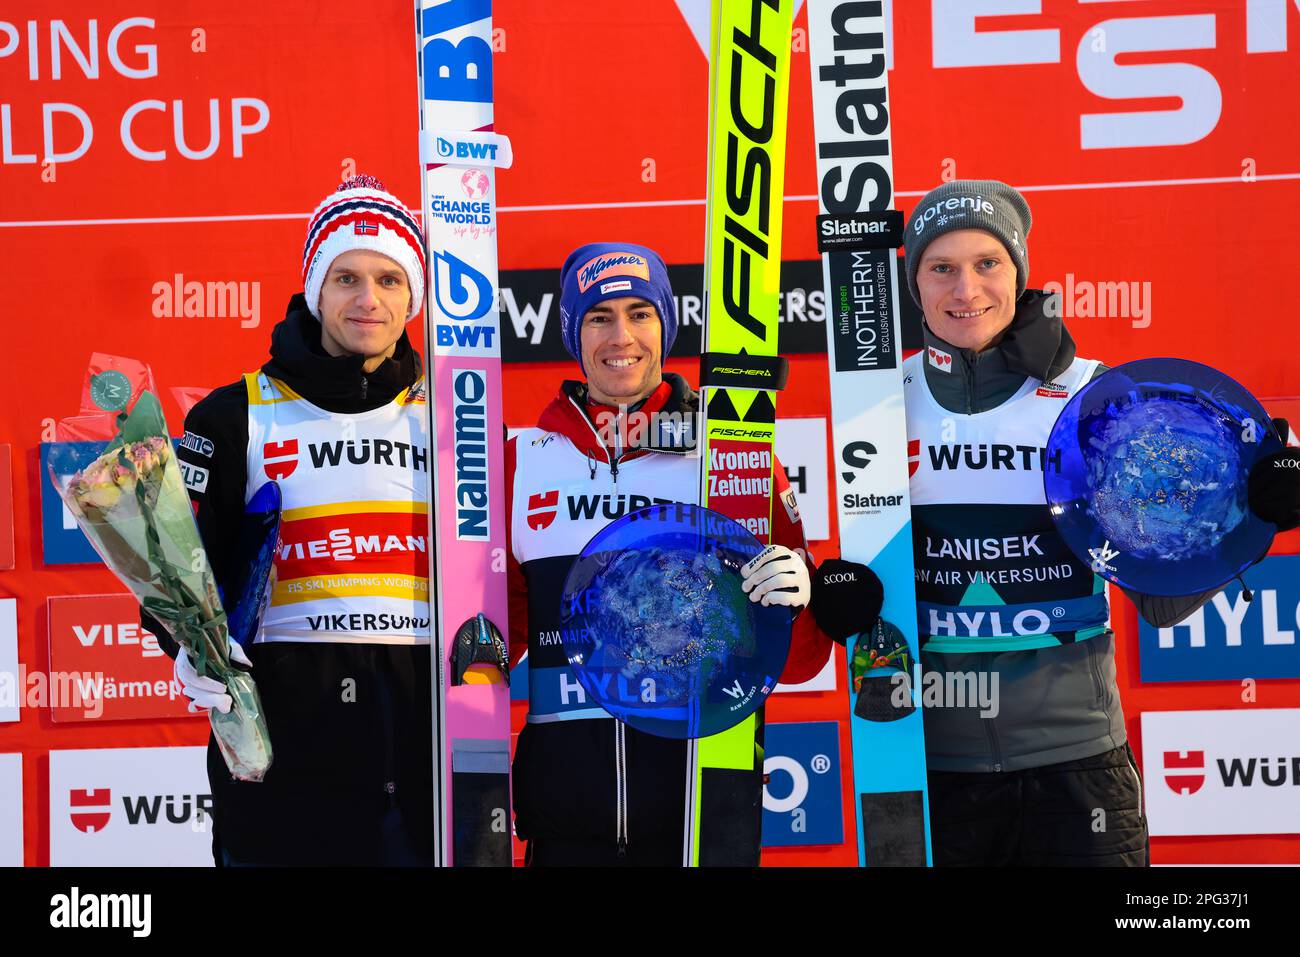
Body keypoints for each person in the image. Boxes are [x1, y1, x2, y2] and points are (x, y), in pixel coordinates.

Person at [812, 179, 1300, 867]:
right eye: (941, 267)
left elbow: (1160, 601)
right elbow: (860, 594)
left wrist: (1253, 518)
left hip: (1076, 766)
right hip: (926, 769)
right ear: (912, 281)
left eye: (988, 264)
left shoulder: (1093, 402)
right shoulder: (876, 404)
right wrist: (836, 597)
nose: (965, 290)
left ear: (1020, 271)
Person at [505, 242, 833, 866]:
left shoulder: (731, 459)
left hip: (702, 814)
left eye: (640, 313)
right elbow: (496, 644)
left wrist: (797, 601)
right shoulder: (521, 465)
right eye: (599, 316)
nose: (620, 335)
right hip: (568, 822)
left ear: (665, 324)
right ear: (574, 332)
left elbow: (798, 662)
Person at [155, 174, 438, 865]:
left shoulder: (454, 420)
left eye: (389, 279)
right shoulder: (231, 415)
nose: (368, 299)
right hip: (278, 773)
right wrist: (189, 646)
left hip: (421, 775)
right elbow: (172, 574)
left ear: (414, 298)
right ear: (315, 286)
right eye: (345, 277)